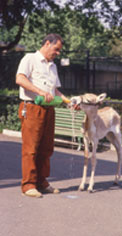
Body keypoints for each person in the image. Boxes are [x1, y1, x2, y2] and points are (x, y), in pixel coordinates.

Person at [16, 33, 70, 198]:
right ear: (47, 43)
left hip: (49, 110)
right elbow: (20, 79)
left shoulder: (52, 66)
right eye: (56, 49)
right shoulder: (30, 59)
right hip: (32, 108)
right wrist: (39, 91)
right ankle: (29, 184)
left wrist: (69, 101)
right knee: (31, 148)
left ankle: (41, 181)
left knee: (46, 148)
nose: (58, 53)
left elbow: (55, 91)